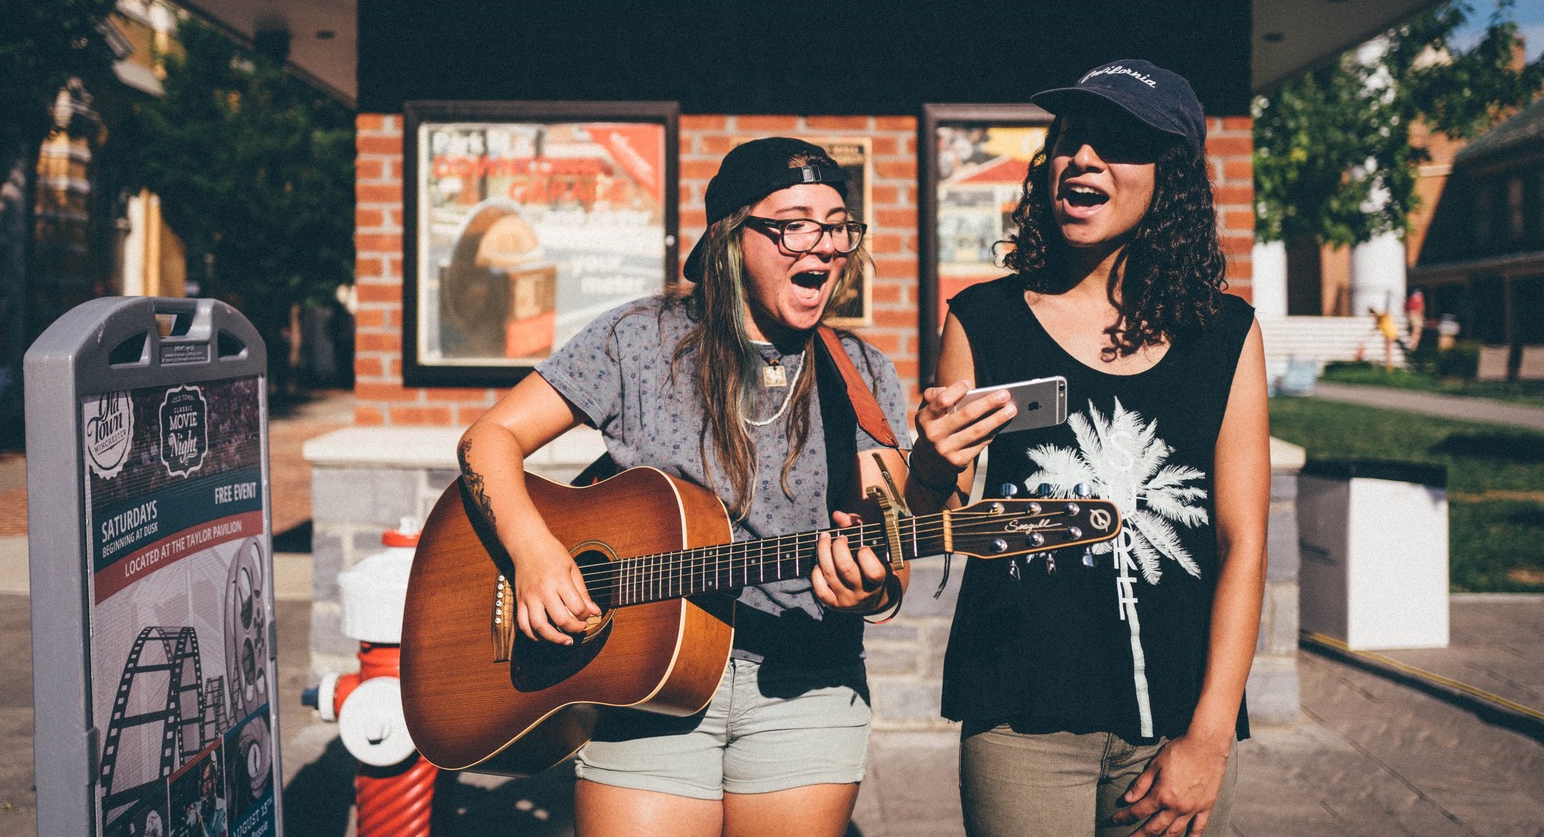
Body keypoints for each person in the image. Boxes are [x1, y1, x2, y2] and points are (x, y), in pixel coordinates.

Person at [455, 137, 911, 837]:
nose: (823, 245)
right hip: (644, 678)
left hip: (805, 680)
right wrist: (535, 553)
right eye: (795, 224)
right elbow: (487, 440)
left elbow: (889, 550)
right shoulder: (640, 339)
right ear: (733, 235)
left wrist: (873, 584)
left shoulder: (864, 376)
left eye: (838, 225)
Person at [907, 60, 1271, 837]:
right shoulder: (983, 320)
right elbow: (933, 519)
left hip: (1176, 720)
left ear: (1169, 178)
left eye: (1116, 143)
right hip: (1021, 716)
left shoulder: (1226, 334)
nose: (1083, 158)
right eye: (1071, 138)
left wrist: (1209, 736)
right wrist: (931, 464)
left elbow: (1244, 545)